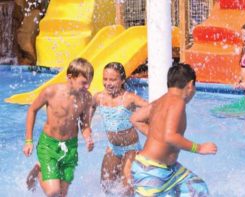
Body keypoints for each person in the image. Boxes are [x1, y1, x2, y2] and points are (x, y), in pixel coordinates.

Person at [130, 63, 217, 197]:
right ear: (190, 84)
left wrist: (155, 135)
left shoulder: (159, 101)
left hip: (169, 170)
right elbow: (170, 136)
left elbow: (135, 118)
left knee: (198, 189)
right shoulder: (178, 101)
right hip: (151, 171)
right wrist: (199, 148)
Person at [23, 58, 95, 197]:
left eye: (89, 83)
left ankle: (42, 170)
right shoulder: (51, 92)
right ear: (70, 77)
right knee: (53, 192)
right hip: (49, 145)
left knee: (62, 194)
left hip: (70, 147)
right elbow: (32, 110)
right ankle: (39, 171)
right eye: (84, 82)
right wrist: (28, 141)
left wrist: (88, 138)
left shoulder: (86, 97)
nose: (87, 87)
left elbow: (85, 124)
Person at [91, 62, 148, 195]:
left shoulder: (129, 98)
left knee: (126, 187)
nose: (108, 83)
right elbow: (89, 108)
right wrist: (87, 129)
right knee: (106, 184)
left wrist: (144, 123)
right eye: (105, 79)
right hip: (113, 147)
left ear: (122, 80)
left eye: (113, 79)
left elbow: (150, 108)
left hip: (131, 148)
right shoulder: (99, 97)